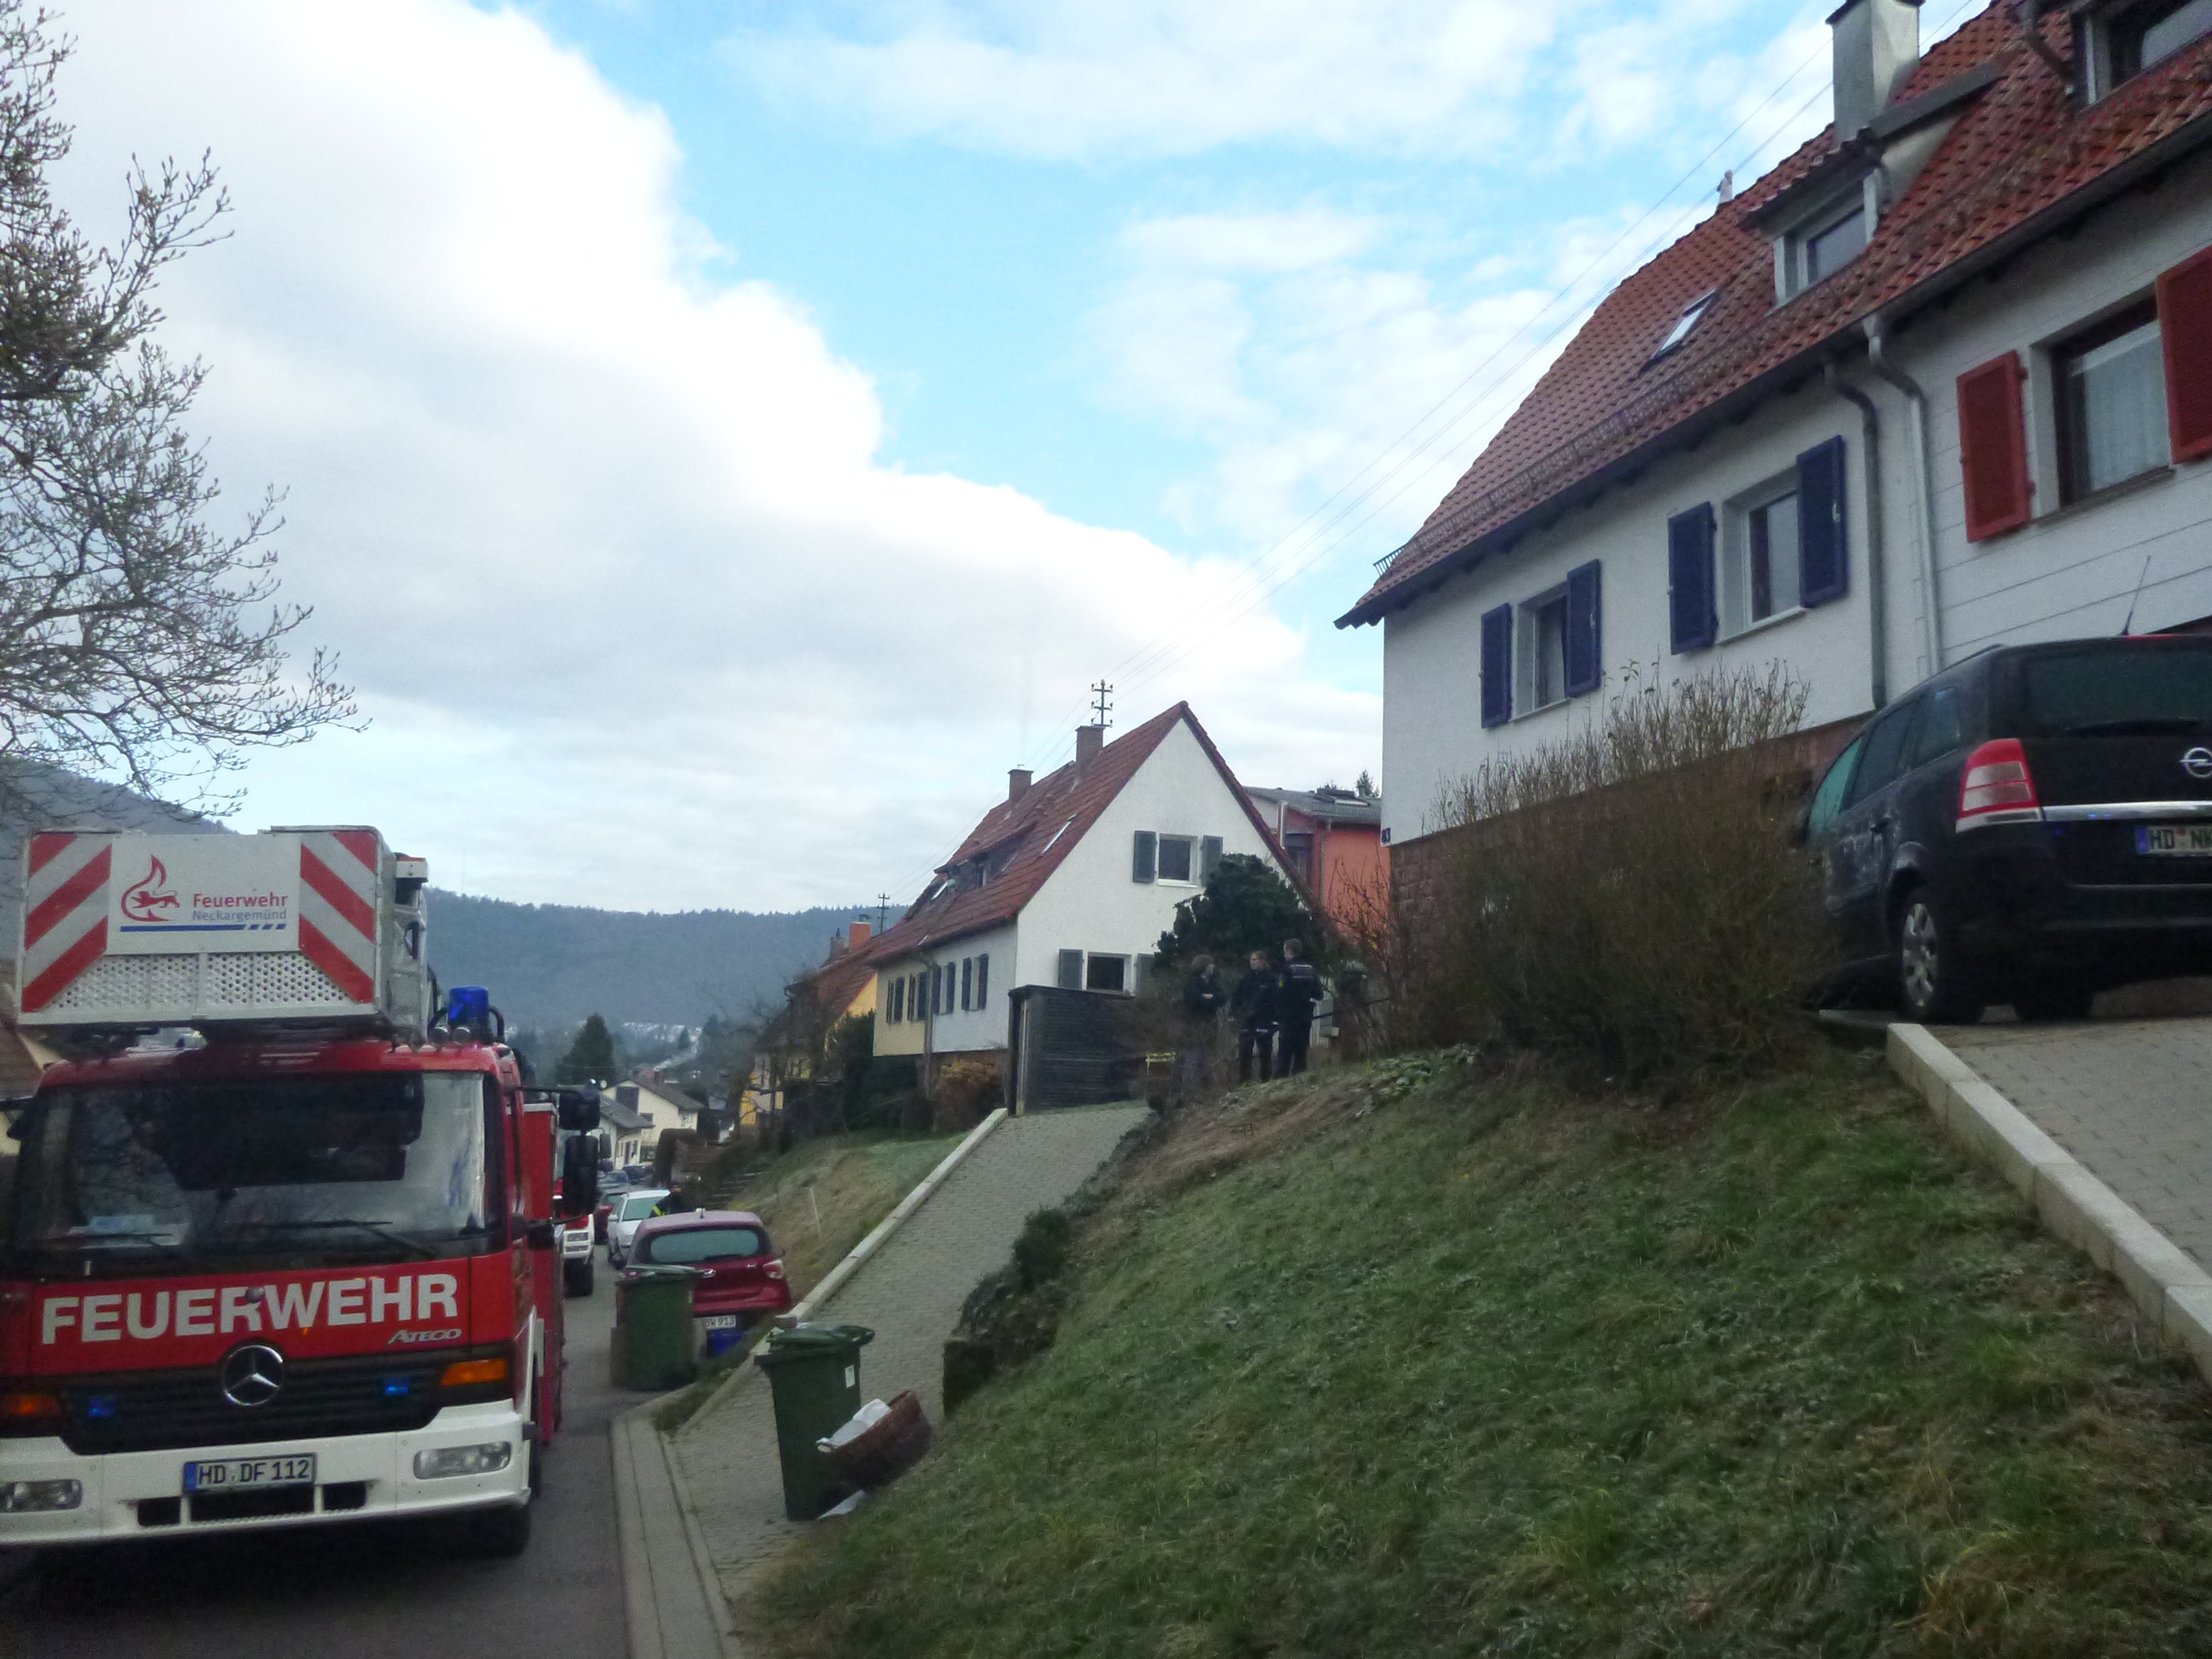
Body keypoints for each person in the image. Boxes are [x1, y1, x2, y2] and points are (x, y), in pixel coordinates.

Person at [1177, 954, 1224, 1097]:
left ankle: (1207, 1090)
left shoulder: (1214, 982)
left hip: (1211, 1024)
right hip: (1195, 1025)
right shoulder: (1192, 983)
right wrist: (1210, 999)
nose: (1213, 967)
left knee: (1209, 1058)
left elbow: (1223, 998)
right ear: (1204, 966)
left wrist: (1209, 998)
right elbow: (1195, 1001)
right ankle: (1189, 1092)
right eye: (1211, 964)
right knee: (1193, 1058)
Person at [1276, 938, 1325, 1076]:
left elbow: (1281, 992)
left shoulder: (1287, 969)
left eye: (1285, 951)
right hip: (1305, 1015)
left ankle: (1281, 1080)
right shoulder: (1310, 969)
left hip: (1289, 1016)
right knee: (1301, 1051)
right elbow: (1319, 994)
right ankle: (1299, 1078)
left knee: (1285, 1052)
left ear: (1289, 951)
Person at [1230, 948, 1280, 1083]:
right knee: (1245, 1052)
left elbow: (1276, 1001)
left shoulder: (1271, 979)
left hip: (1264, 1020)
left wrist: (1275, 1020)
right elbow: (1236, 998)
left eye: (1255, 960)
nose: (1252, 963)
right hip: (1247, 1020)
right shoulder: (1246, 979)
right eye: (1251, 960)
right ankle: (1244, 1082)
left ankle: (1265, 1081)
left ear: (1262, 961)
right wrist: (1235, 1015)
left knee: (1265, 1052)